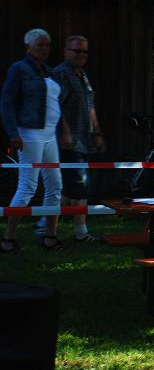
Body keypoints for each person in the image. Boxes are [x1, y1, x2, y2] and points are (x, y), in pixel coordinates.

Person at [1, 28, 72, 253]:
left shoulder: (48, 71)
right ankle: (8, 239)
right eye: (40, 44)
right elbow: (7, 102)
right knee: (28, 187)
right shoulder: (19, 69)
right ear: (28, 46)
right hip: (29, 134)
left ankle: (49, 235)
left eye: (47, 45)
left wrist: (64, 130)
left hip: (50, 135)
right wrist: (13, 133)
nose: (45, 49)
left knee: (55, 186)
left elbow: (55, 105)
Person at [34, 36, 105, 242]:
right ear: (66, 51)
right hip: (68, 141)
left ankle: (42, 222)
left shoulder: (82, 74)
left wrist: (97, 133)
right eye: (77, 51)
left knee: (71, 188)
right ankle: (80, 232)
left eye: (84, 52)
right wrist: (65, 132)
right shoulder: (60, 74)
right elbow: (55, 107)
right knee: (79, 186)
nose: (81, 55)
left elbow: (90, 106)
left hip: (85, 140)